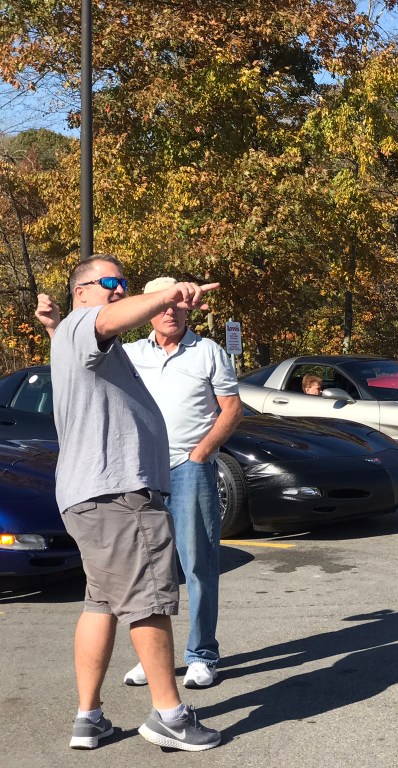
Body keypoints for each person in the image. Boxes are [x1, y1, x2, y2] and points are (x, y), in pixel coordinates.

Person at [38, 254, 220, 751]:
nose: (120, 289)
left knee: (100, 605)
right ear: (81, 291)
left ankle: (88, 717)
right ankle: (170, 716)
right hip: (117, 494)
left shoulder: (78, 337)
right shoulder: (85, 324)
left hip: (94, 497)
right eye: (109, 282)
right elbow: (105, 319)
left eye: (124, 282)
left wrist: (54, 324)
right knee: (149, 601)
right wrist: (169, 294)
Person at [119, 277, 243, 689]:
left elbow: (232, 409)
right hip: (143, 473)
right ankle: (153, 657)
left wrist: (201, 453)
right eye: (161, 304)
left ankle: (202, 654)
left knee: (198, 565)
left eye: (177, 304)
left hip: (190, 469)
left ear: (188, 309)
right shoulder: (131, 354)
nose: (169, 311)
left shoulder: (209, 352)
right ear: (148, 310)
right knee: (148, 571)